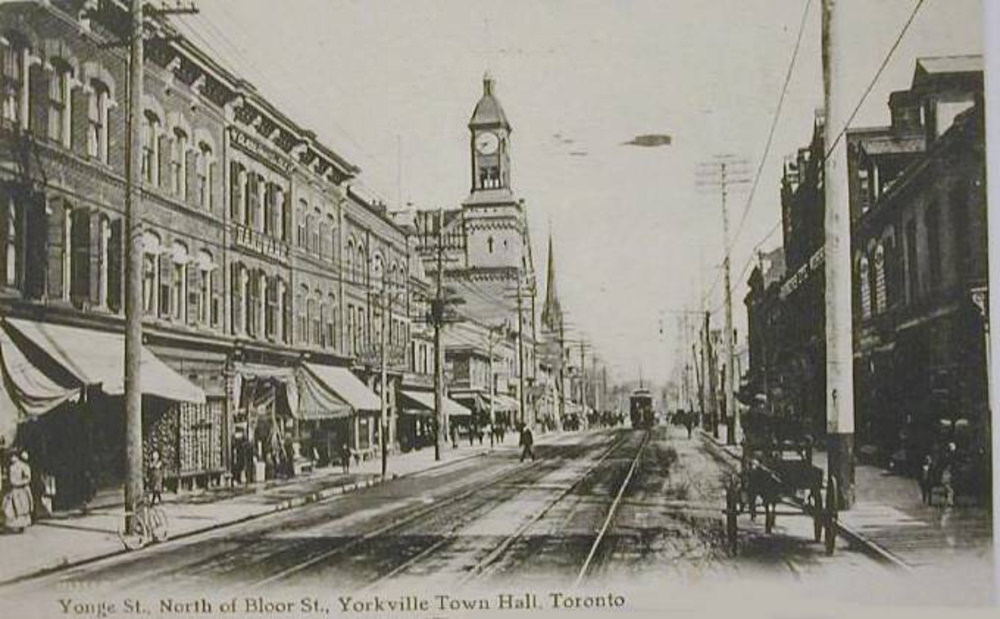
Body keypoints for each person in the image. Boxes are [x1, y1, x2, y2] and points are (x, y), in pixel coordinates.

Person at [3, 451, 33, 532]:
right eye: (10, 457)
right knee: (11, 507)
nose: (11, 458)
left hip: (21, 490)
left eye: (13, 456)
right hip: (13, 490)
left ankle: (22, 525)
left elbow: (27, 478)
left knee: (22, 507)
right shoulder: (11, 467)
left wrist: (19, 483)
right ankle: (14, 524)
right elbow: (10, 478)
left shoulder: (23, 466)